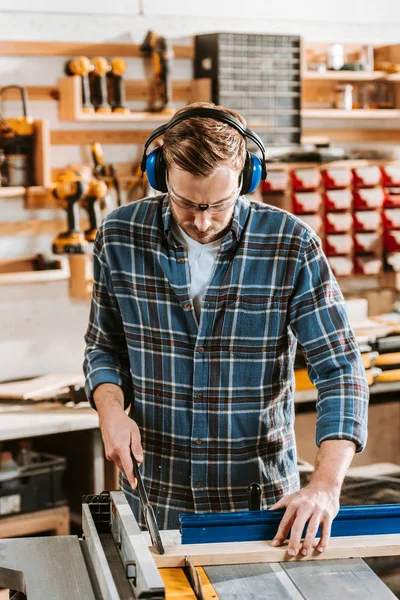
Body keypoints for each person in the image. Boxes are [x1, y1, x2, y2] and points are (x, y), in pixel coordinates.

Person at [83, 102, 369, 557]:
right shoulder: (119, 236)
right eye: (185, 202)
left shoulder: (289, 244)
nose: (201, 221)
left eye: (217, 204)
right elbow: (104, 349)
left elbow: (340, 369)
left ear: (247, 178)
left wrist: (325, 485)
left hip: (261, 509)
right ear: (160, 175)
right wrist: (110, 411)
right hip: (156, 499)